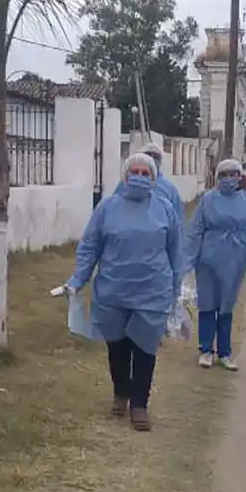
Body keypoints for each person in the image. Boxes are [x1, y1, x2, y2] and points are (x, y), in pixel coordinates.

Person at [65, 152, 184, 431]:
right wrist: (78, 279)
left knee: (145, 348)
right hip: (114, 289)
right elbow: (90, 246)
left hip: (152, 290)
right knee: (117, 346)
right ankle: (121, 394)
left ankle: (140, 405)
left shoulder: (165, 209)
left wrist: (176, 289)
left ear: (155, 178)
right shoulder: (107, 208)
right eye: (135, 172)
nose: (140, 177)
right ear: (125, 174)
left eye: (146, 173)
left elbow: (176, 252)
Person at [186, 158, 246, 371]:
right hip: (208, 259)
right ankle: (205, 350)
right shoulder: (208, 200)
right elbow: (195, 230)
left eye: (233, 174)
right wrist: (187, 259)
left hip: (236, 259)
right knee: (207, 304)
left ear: (240, 176)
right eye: (224, 175)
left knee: (226, 306)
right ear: (217, 177)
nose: (229, 178)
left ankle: (225, 352)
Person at [140, 142, 185, 224]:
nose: (151, 159)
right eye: (148, 155)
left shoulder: (169, 189)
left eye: (155, 156)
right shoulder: (127, 183)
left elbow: (177, 219)